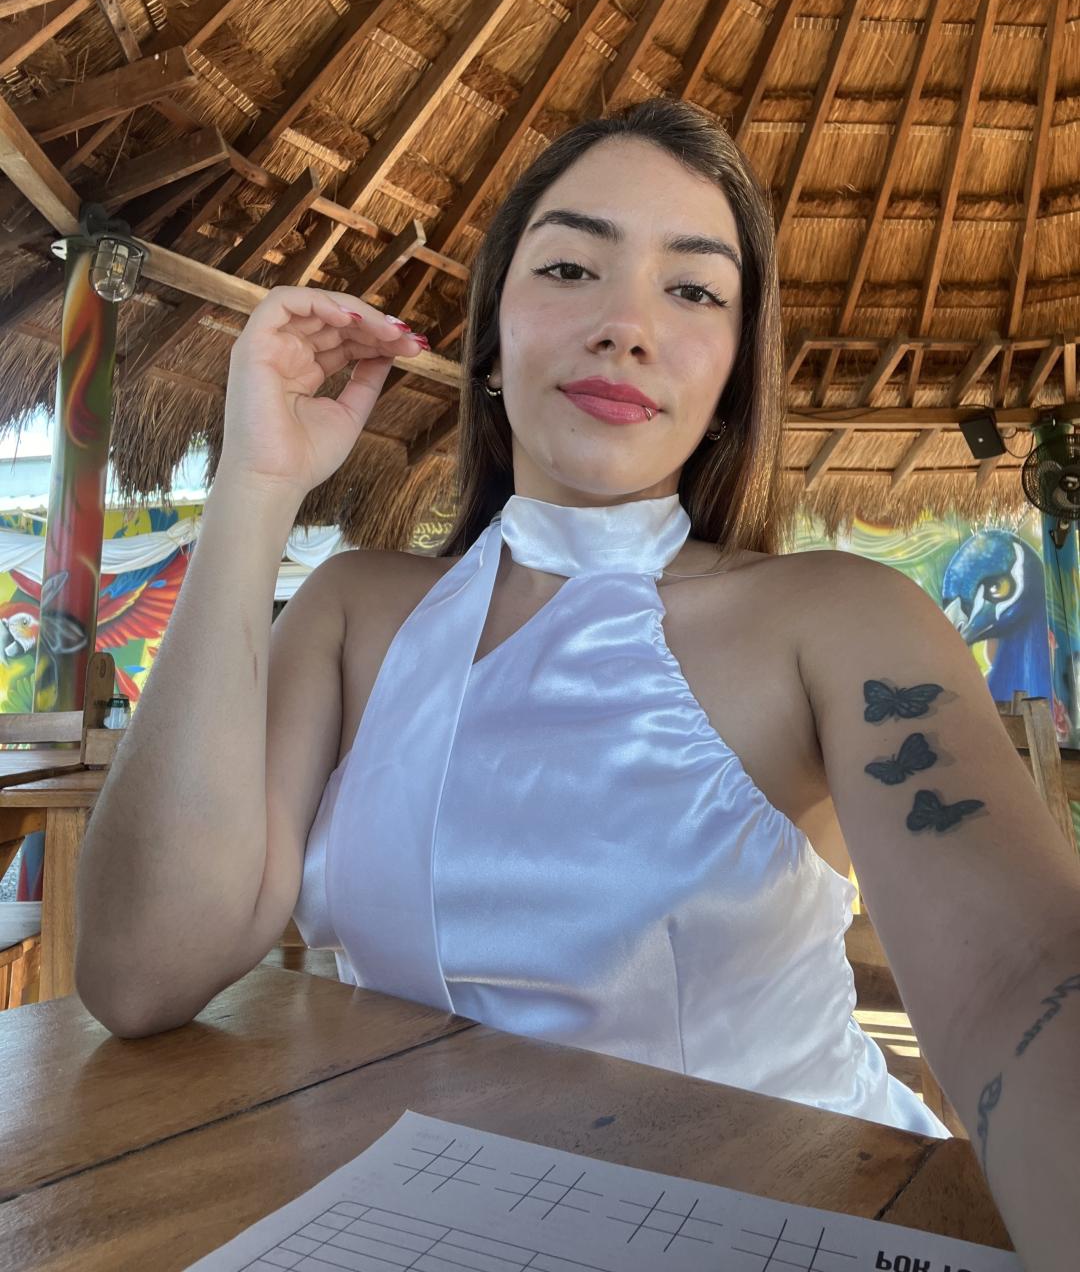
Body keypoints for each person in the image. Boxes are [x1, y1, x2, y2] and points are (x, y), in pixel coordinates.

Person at [76, 102, 1080, 1219]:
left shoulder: (843, 620)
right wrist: (255, 488)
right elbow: (140, 971)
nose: (626, 326)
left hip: (780, 1226)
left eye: (692, 290)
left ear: (733, 374)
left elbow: (1020, 977)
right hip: (416, 1223)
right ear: (491, 340)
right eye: (568, 269)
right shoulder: (354, 612)